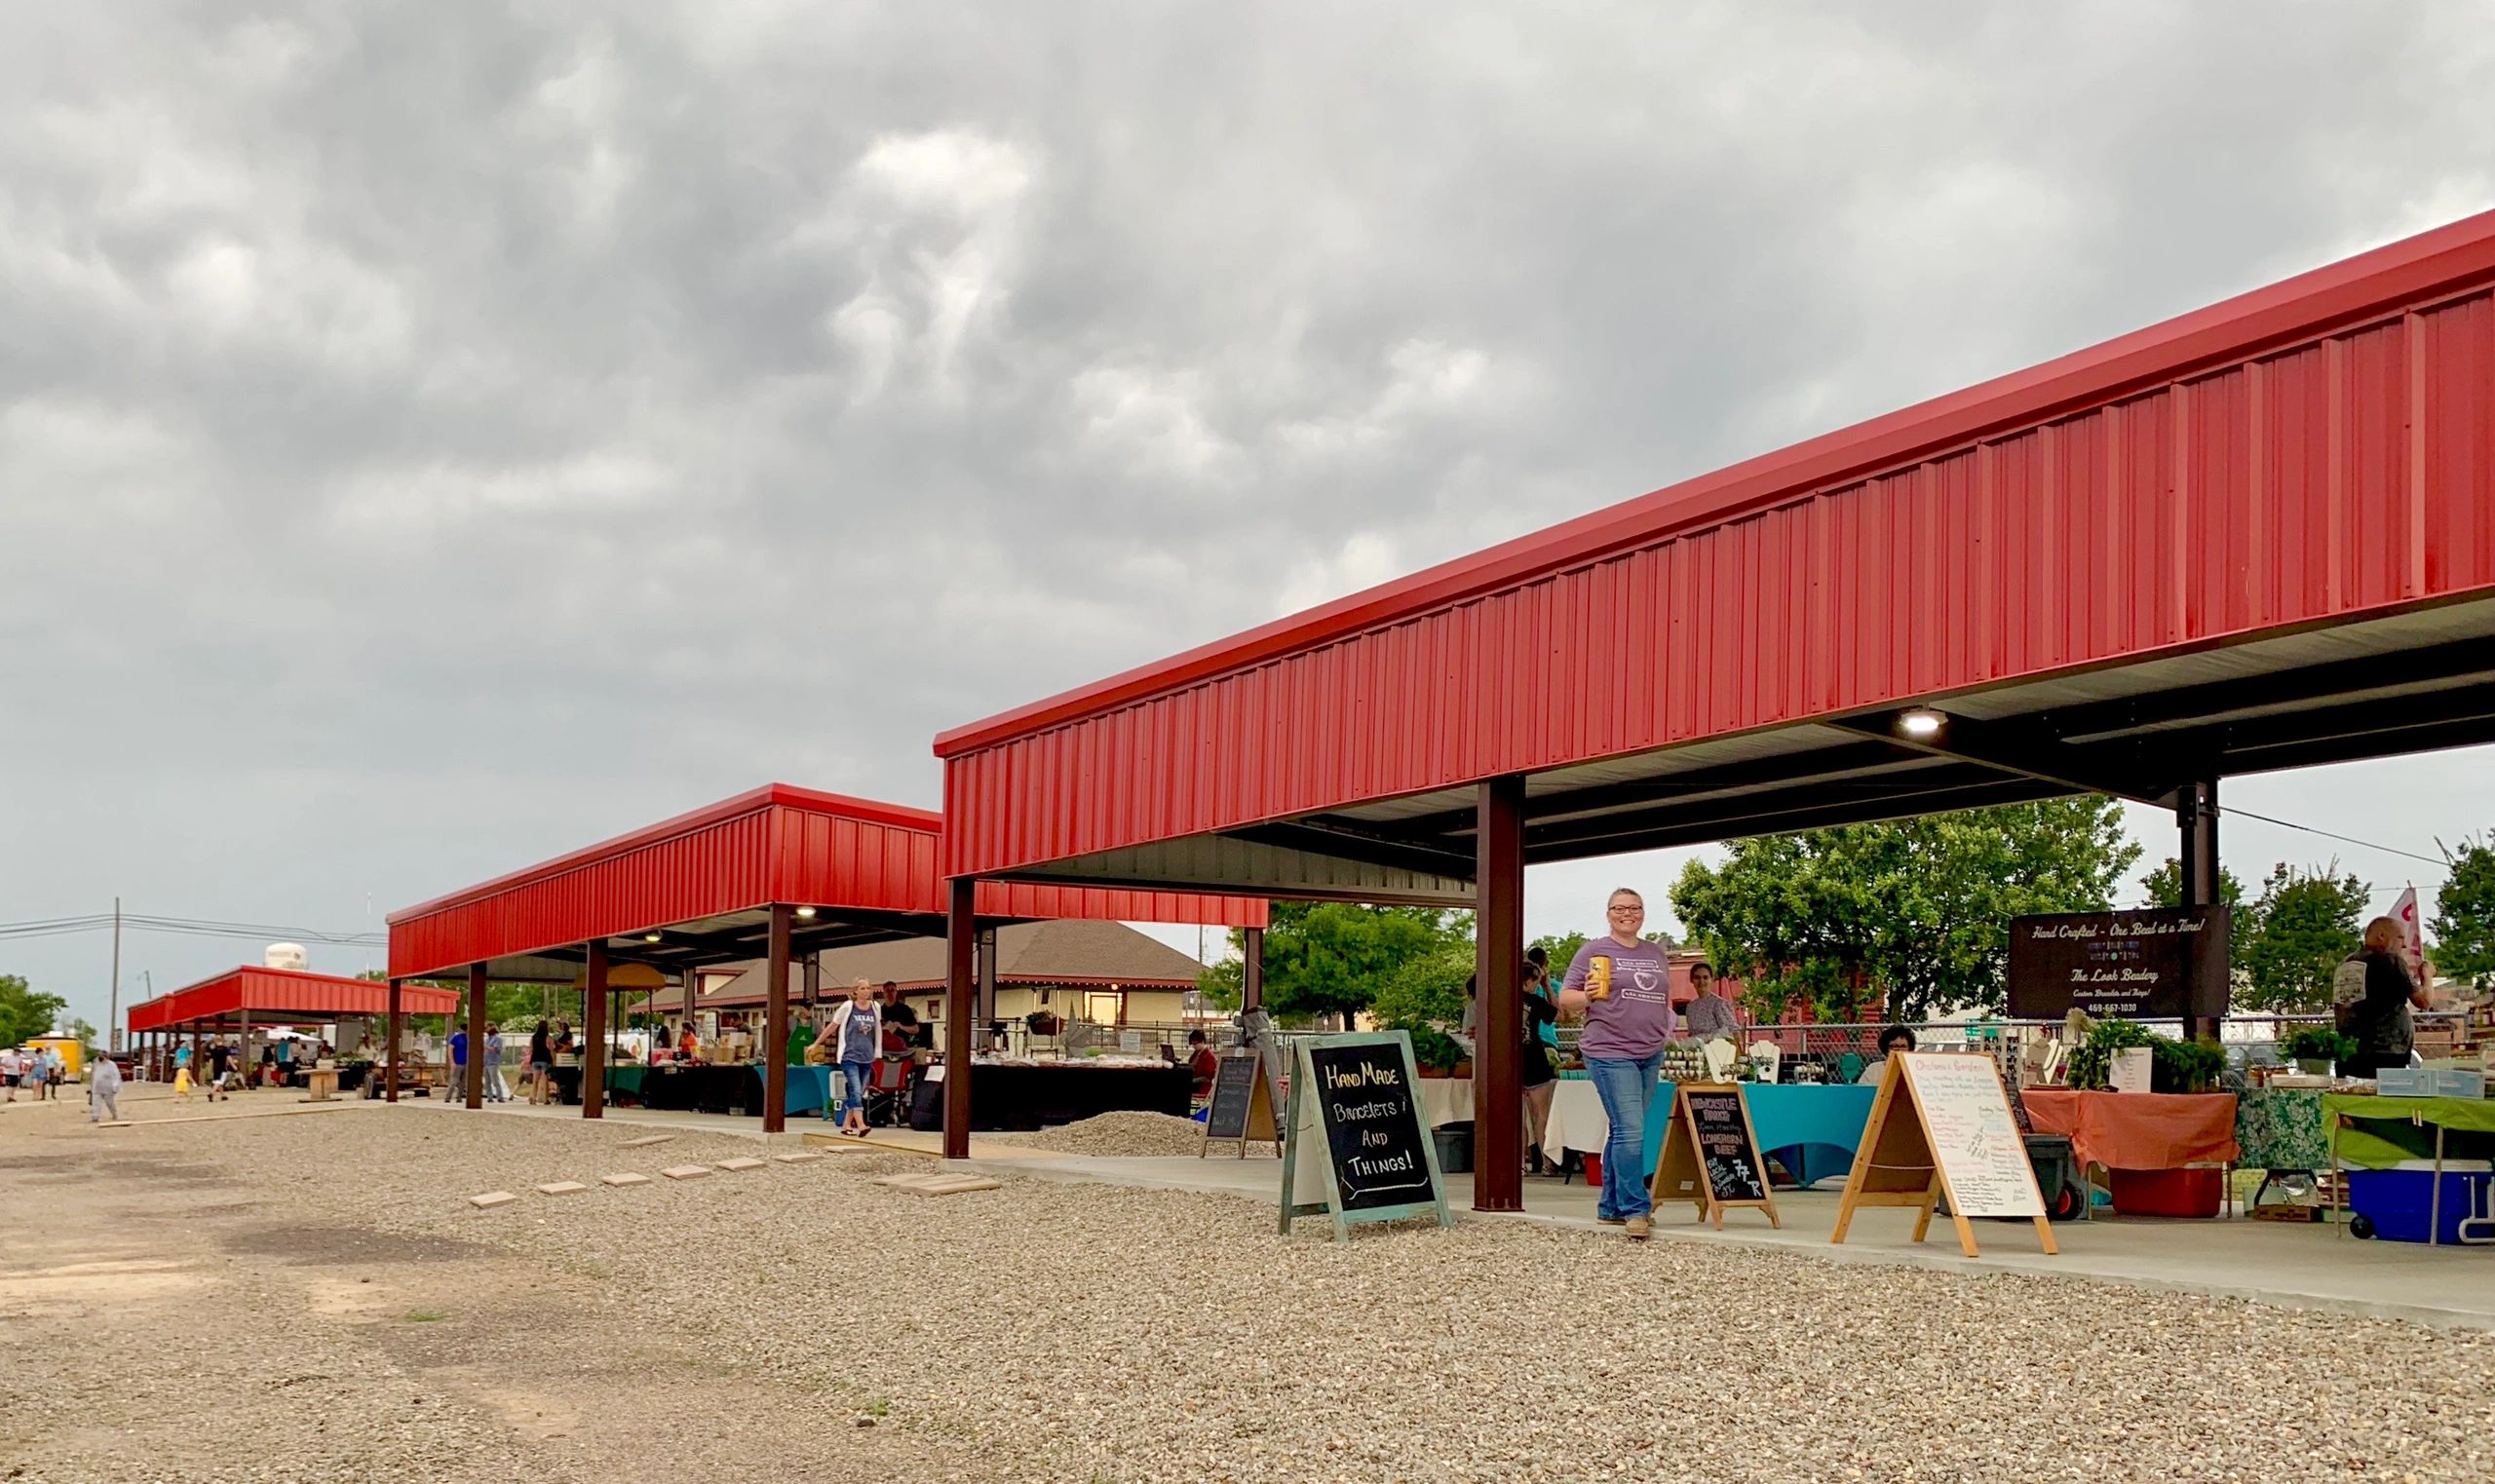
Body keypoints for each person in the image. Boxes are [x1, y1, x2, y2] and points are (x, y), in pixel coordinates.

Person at [1556, 888, 1675, 1240]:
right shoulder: (1594, 951)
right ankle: (1636, 1209)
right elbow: (1566, 999)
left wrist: (1665, 1029)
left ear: (1643, 913)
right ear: (1608, 914)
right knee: (1631, 1130)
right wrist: (1589, 995)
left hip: (1650, 1051)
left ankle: (1609, 1206)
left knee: (1623, 1130)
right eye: (1620, 908)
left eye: (1635, 908)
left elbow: (1663, 998)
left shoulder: (1655, 953)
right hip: (1610, 1051)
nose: (1628, 913)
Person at [2335, 916, 2430, 1079]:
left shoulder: (2347, 963)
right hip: (2386, 1053)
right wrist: (2427, 976)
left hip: (2349, 1052)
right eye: (2400, 937)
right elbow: (2424, 1001)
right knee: (2383, 1103)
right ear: (2381, 936)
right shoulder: (2390, 960)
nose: (2404, 944)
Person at [825, 979, 881, 1137]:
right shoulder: (848, 1007)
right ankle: (862, 1125)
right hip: (850, 1056)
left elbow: (876, 1030)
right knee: (856, 1090)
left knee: (858, 1091)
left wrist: (877, 1051)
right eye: (862, 988)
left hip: (867, 1056)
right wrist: (817, 1043)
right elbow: (833, 1025)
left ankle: (846, 1124)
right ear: (855, 991)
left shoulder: (876, 1008)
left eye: (868, 988)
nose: (866, 991)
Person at [1521, 958, 1560, 1176]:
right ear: (1529, 981)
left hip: (1510, 1059)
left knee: (1516, 1116)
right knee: (1541, 1113)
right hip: (1535, 1057)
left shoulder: (1501, 998)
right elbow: (1558, 1015)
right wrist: (1548, 987)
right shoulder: (1536, 1001)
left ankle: (1519, 1163)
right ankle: (1547, 1162)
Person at [1680, 961, 1741, 1043]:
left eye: (1705, 977)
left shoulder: (1719, 1004)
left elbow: (1732, 1032)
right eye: (1697, 978)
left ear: (1711, 979)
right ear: (1692, 980)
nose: (1701, 981)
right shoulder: (1690, 1007)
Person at [88, 1052, 122, 1123]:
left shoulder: (111, 1065)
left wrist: (115, 1086)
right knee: (96, 1103)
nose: (100, 1059)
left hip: (108, 1087)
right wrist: (91, 1086)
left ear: (106, 1058)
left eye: (102, 1058)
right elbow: (93, 1075)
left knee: (110, 1103)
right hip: (97, 1087)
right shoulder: (96, 1064)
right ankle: (95, 1117)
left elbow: (116, 1076)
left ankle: (114, 1114)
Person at [1186, 1030, 1219, 1103]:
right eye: (1192, 1044)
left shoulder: (1209, 1057)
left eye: (1195, 1044)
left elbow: (1208, 1077)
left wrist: (1194, 1080)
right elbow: (1190, 1064)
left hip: (1202, 1092)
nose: (1194, 1046)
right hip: (1195, 1089)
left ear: (1203, 1041)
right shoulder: (1196, 1054)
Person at [448, 1025, 468, 1102]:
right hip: (457, 1062)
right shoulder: (456, 1038)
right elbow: (450, 1050)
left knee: (463, 1083)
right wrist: (452, 1062)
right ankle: (448, 1097)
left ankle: (459, 1097)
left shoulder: (468, 1038)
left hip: (466, 1063)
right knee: (454, 1081)